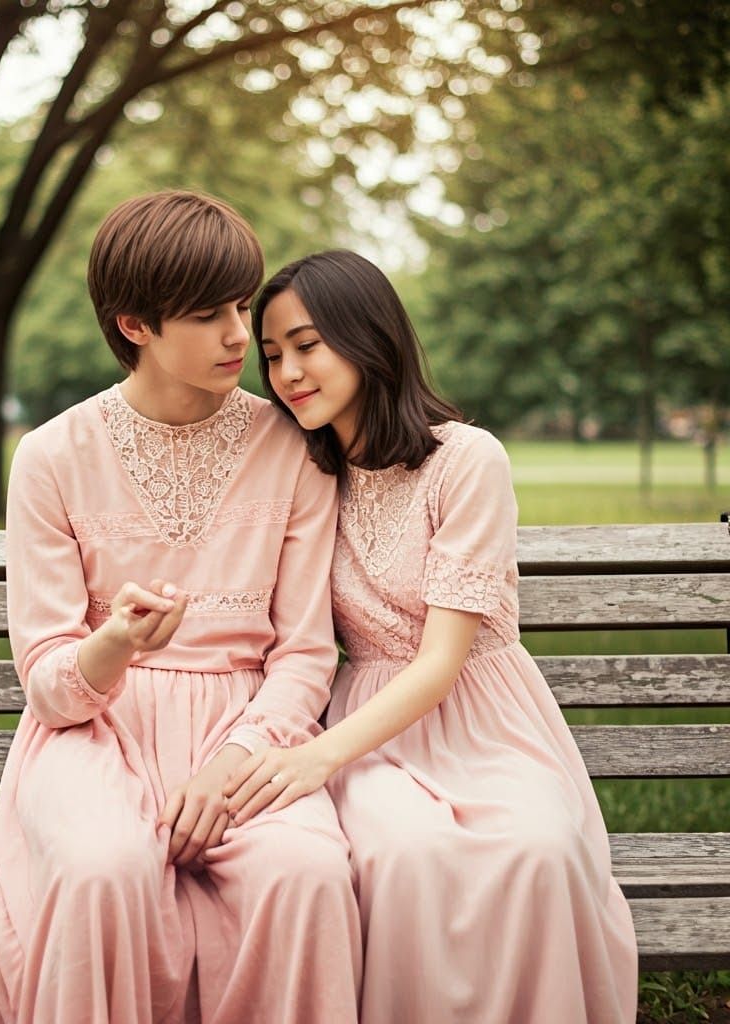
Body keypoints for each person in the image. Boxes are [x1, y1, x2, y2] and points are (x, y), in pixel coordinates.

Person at [0, 195, 362, 1024]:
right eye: (207, 314)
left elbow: (304, 656)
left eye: (242, 306)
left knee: (308, 876)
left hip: (250, 728)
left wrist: (236, 759)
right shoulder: (49, 457)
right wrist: (114, 642)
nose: (237, 336)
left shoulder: (295, 445)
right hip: (93, 736)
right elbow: (47, 682)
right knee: (101, 870)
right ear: (135, 324)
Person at [223, 250, 638, 1023]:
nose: (286, 373)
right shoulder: (306, 472)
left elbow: (444, 662)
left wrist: (315, 755)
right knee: (402, 856)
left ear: (367, 336)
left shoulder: (467, 460)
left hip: (485, 716)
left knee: (539, 851)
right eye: (272, 354)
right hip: (373, 731)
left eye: (307, 345)